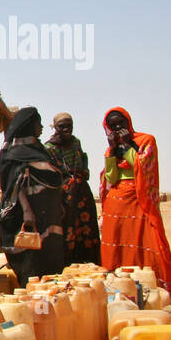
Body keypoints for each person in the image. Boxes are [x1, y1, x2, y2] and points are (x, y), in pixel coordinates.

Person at [100, 107, 171, 303]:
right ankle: (122, 293)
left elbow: (143, 167)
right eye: (113, 126)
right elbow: (111, 177)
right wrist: (113, 150)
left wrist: (129, 144)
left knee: (147, 242)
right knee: (118, 247)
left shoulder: (146, 140)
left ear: (128, 122)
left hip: (140, 200)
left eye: (121, 123)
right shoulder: (110, 148)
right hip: (117, 202)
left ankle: (154, 293)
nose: (118, 128)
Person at [0, 108, 66, 282]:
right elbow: (14, 186)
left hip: (47, 216)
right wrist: (27, 210)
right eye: (38, 123)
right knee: (32, 264)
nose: (42, 127)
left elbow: (57, 175)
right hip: (27, 215)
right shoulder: (15, 154)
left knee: (49, 265)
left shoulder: (38, 149)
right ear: (29, 126)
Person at [42, 113, 102, 265]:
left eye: (69, 125)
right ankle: (69, 265)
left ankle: (89, 263)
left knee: (87, 229)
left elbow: (83, 161)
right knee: (68, 229)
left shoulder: (76, 142)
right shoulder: (49, 148)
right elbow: (51, 175)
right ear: (55, 128)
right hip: (65, 197)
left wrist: (83, 172)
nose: (66, 129)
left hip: (82, 193)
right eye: (62, 126)